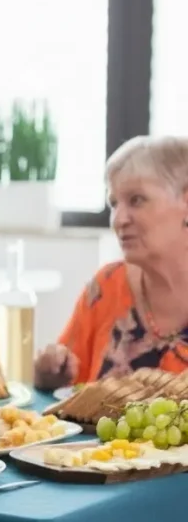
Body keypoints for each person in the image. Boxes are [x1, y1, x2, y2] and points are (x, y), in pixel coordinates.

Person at [36, 134, 188, 390]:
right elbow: (65, 389)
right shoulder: (106, 286)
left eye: (136, 200)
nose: (118, 220)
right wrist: (47, 377)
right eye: (114, 204)